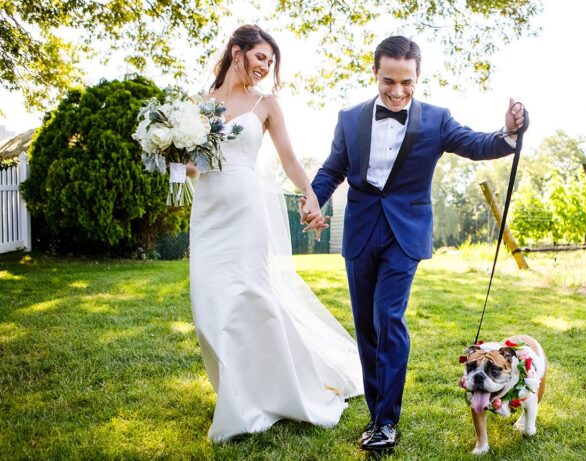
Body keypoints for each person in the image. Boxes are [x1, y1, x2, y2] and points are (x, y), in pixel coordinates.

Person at [306, 36, 527, 451]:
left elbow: (477, 144)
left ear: (418, 76)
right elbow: (333, 169)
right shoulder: (349, 118)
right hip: (360, 230)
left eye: (406, 82)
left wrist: (509, 132)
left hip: (405, 234)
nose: (396, 91)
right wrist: (312, 199)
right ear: (375, 72)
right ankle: (376, 414)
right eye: (388, 80)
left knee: (388, 318)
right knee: (367, 328)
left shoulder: (436, 120)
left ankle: (387, 423)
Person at [187, 24, 363, 442]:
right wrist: (174, 157)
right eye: (260, 57)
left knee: (251, 299)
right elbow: (193, 166)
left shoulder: (266, 105)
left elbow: (289, 160)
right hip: (208, 211)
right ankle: (238, 390)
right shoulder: (197, 105)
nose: (266, 67)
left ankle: (257, 397)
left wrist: (310, 195)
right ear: (237, 52)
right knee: (208, 304)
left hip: (246, 211)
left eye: (271, 61)